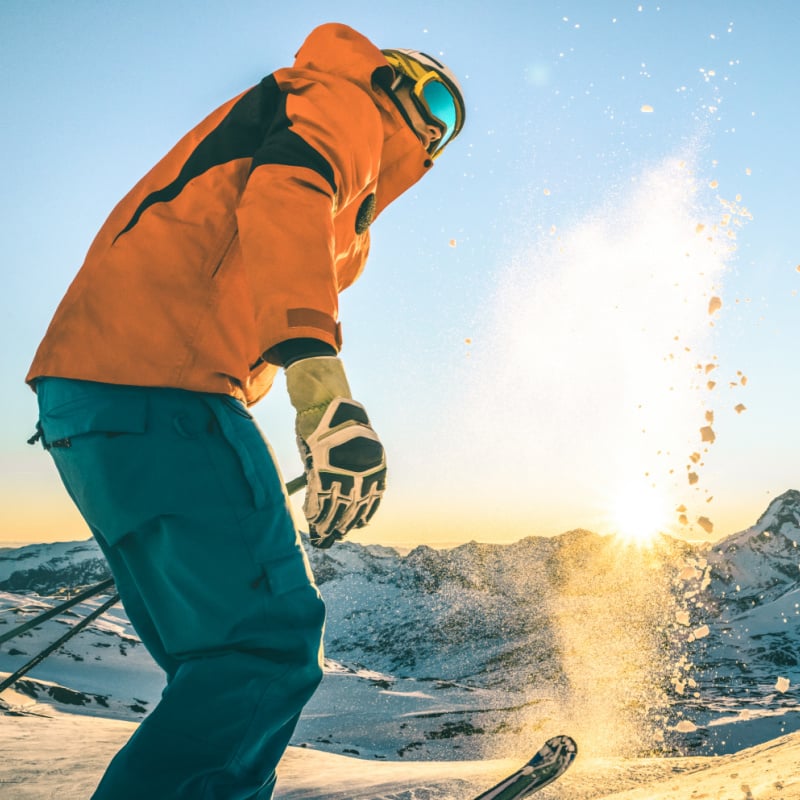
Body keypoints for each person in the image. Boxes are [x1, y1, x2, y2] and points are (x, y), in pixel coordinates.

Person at [25, 21, 465, 800]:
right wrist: (325, 399)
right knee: (264, 649)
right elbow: (285, 202)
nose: (435, 125)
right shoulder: (343, 102)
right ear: (390, 78)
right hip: (161, 385)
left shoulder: (348, 203)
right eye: (431, 94)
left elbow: (254, 264)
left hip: (95, 398)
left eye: (452, 122)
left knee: (216, 658)